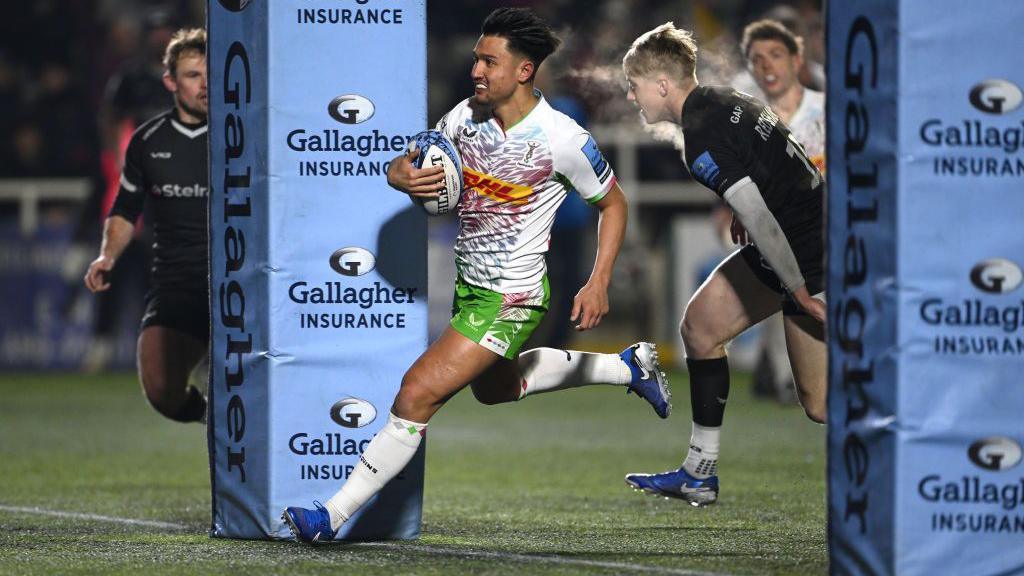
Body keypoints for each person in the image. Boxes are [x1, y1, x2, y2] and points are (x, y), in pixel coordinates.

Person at [282, 7, 671, 543]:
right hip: (473, 290)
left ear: (524, 70)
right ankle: (628, 368)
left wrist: (598, 278)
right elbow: (408, 162)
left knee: (416, 393)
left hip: (513, 295)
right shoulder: (464, 118)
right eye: (476, 60)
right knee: (497, 389)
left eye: (490, 61)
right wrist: (403, 177)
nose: (477, 71)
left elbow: (615, 204)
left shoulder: (561, 138)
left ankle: (332, 516)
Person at [619, 22, 826, 506]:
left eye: (635, 87)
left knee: (819, 403)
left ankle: (916, 438)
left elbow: (760, 214)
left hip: (806, 251)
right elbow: (769, 160)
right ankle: (699, 473)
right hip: (802, 234)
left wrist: (797, 289)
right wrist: (742, 207)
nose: (632, 98)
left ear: (662, 85)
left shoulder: (699, 137)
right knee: (701, 328)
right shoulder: (722, 97)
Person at [83, 28, 209, 423]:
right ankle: (213, 420)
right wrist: (107, 255)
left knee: (239, 380)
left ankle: (244, 450)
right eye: (192, 75)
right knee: (161, 391)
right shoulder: (147, 141)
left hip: (236, 284)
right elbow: (124, 209)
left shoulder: (241, 138)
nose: (204, 85)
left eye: (210, 75)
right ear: (170, 82)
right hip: (176, 282)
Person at [740, 18, 826, 404]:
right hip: (773, 234)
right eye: (757, 59)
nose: (767, 66)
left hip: (827, 233)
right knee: (780, 301)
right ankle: (786, 380)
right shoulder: (745, 119)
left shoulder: (827, 111)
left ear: (796, 59)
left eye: (776, 55)